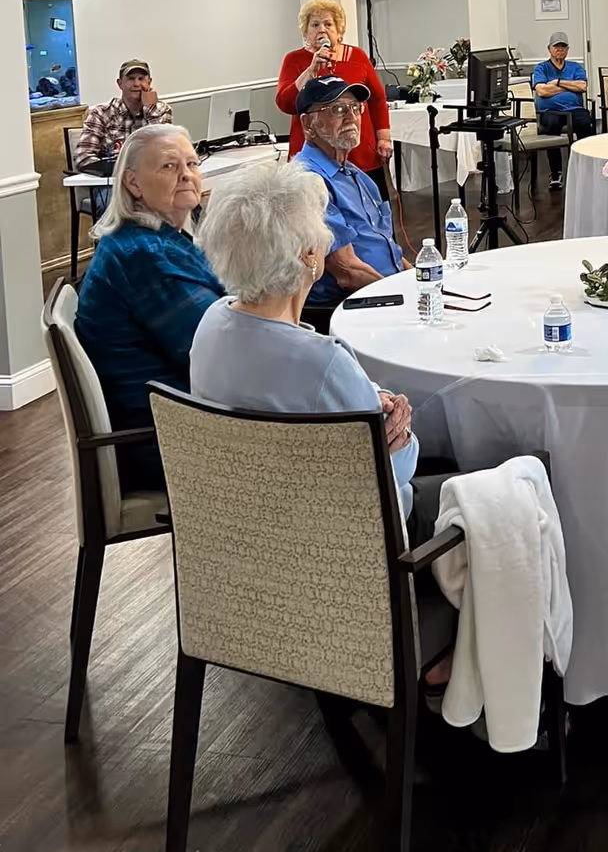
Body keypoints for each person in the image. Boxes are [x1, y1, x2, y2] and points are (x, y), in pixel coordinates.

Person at [191, 160, 425, 524]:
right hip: (346, 542)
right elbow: (396, 469)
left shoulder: (210, 323)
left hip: (248, 527)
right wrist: (404, 432)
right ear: (310, 257)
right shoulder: (322, 362)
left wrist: (364, 397)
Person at [74, 126, 223, 490]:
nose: (187, 173)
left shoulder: (153, 239)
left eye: (191, 163)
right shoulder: (144, 256)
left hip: (175, 420)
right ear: (134, 184)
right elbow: (217, 357)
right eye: (169, 167)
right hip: (164, 443)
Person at [293, 76, 408, 305]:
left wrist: (421, 280)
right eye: (338, 109)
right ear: (308, 124)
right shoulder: (308, 182)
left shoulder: (356, 175)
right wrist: (404, 298)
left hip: (388, 288)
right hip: (353, 305)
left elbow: (385, 247)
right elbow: (347, 272)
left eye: (355, 108)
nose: (352, 117)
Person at [276, 0, 391, 190]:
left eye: (328, 24)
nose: (322, 29)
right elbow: (285, 103)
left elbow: (377, 98)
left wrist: (384, 137)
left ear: (339, 31)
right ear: (306, 32)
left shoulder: (358, 57)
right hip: (315, 152)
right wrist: (310, 71)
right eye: (315, 24)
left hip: (359, 149)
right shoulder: (294, 60)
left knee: (371, 206)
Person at [76, 59, 173, 169]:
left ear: (149, 82)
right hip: (113, 181)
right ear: (120, 83)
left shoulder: (163, 110)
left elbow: (164, 151)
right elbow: (82, 158)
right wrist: (121, 167)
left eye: (141, 79)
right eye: (131, 79)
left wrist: (151, 105)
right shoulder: (101, 113)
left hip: (150, 180)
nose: (136, 84)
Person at [531, 30, 595, 189]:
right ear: (549, 49)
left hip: (575, 109)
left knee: (585, 123)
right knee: (551, 126)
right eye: (556, 46)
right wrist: (569, 87)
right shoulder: (541, 68)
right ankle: (555, 173)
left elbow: (582, 86)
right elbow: (542, 91)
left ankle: (584, 168)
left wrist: (557, 82)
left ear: (567, 49)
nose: (559, 49)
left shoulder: (575, 67)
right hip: (549, 111)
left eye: (563, 46)